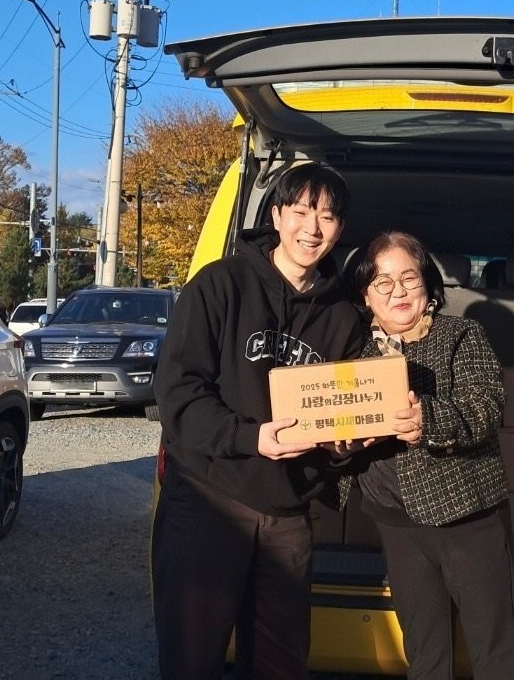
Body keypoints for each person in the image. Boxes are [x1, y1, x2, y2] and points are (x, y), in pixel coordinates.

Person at [150, 162, 366, 679]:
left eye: (327, 217)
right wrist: (249, 438)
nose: (312, 228)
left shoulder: (343, 318)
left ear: (340, 229)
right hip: (207, 497)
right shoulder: (219, 285)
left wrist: (344, 447)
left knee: (281, 664)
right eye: (301, 211)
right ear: (276, 216)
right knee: (191, 660)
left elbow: (345, 416)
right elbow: (177, 392)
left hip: (287, 514)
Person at [339, 231, 514, 679]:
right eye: (383, 282)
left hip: (466, 518)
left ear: (428, 284)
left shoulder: (461, 335)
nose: (398, 291)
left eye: (409, 278)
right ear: (365, 294)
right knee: (424, 653)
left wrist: (430, 420)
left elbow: (486, 407)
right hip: (394, 522)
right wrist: (340, 442)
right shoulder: (352, 352)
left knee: (495, 651)